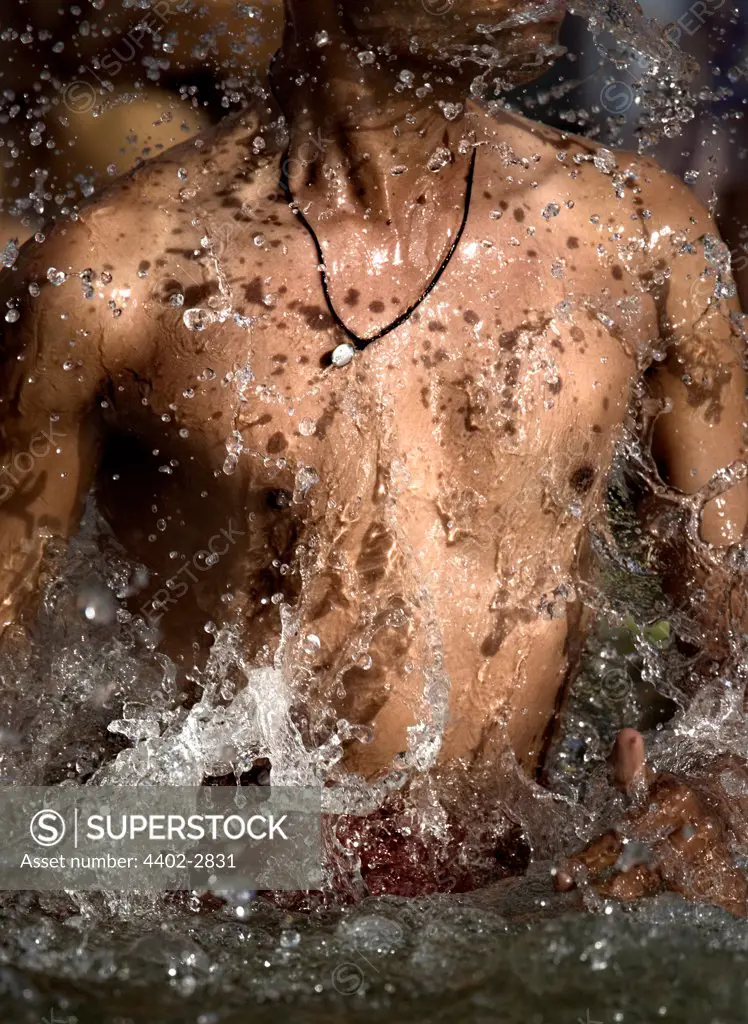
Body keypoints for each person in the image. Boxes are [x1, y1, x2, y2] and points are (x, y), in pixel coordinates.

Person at [0, 0, 746, 908]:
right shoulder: (115, 282)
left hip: (534, 906)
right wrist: (264, 860)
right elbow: (22, 820)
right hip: (228, 944)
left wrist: (715, 797)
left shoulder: (641, 240)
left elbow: (734, 654)